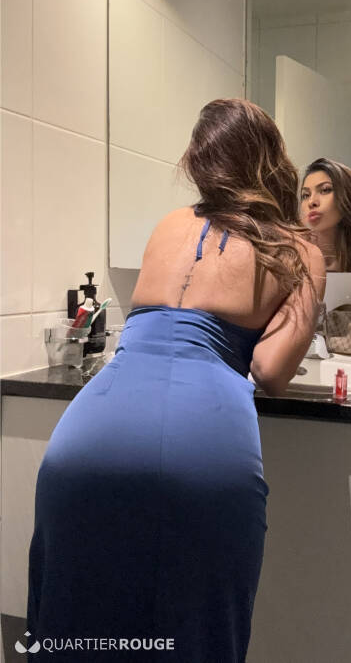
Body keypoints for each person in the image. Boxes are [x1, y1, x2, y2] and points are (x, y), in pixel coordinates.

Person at [26, 98, 326, 662]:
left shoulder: (168, 225)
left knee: (77, 627)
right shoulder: (296, 249)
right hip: (203, 441)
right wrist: (302, 300)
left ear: (199, 160)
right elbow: (271, 370)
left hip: (85, 438)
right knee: (195, 635)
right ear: (272, 161)